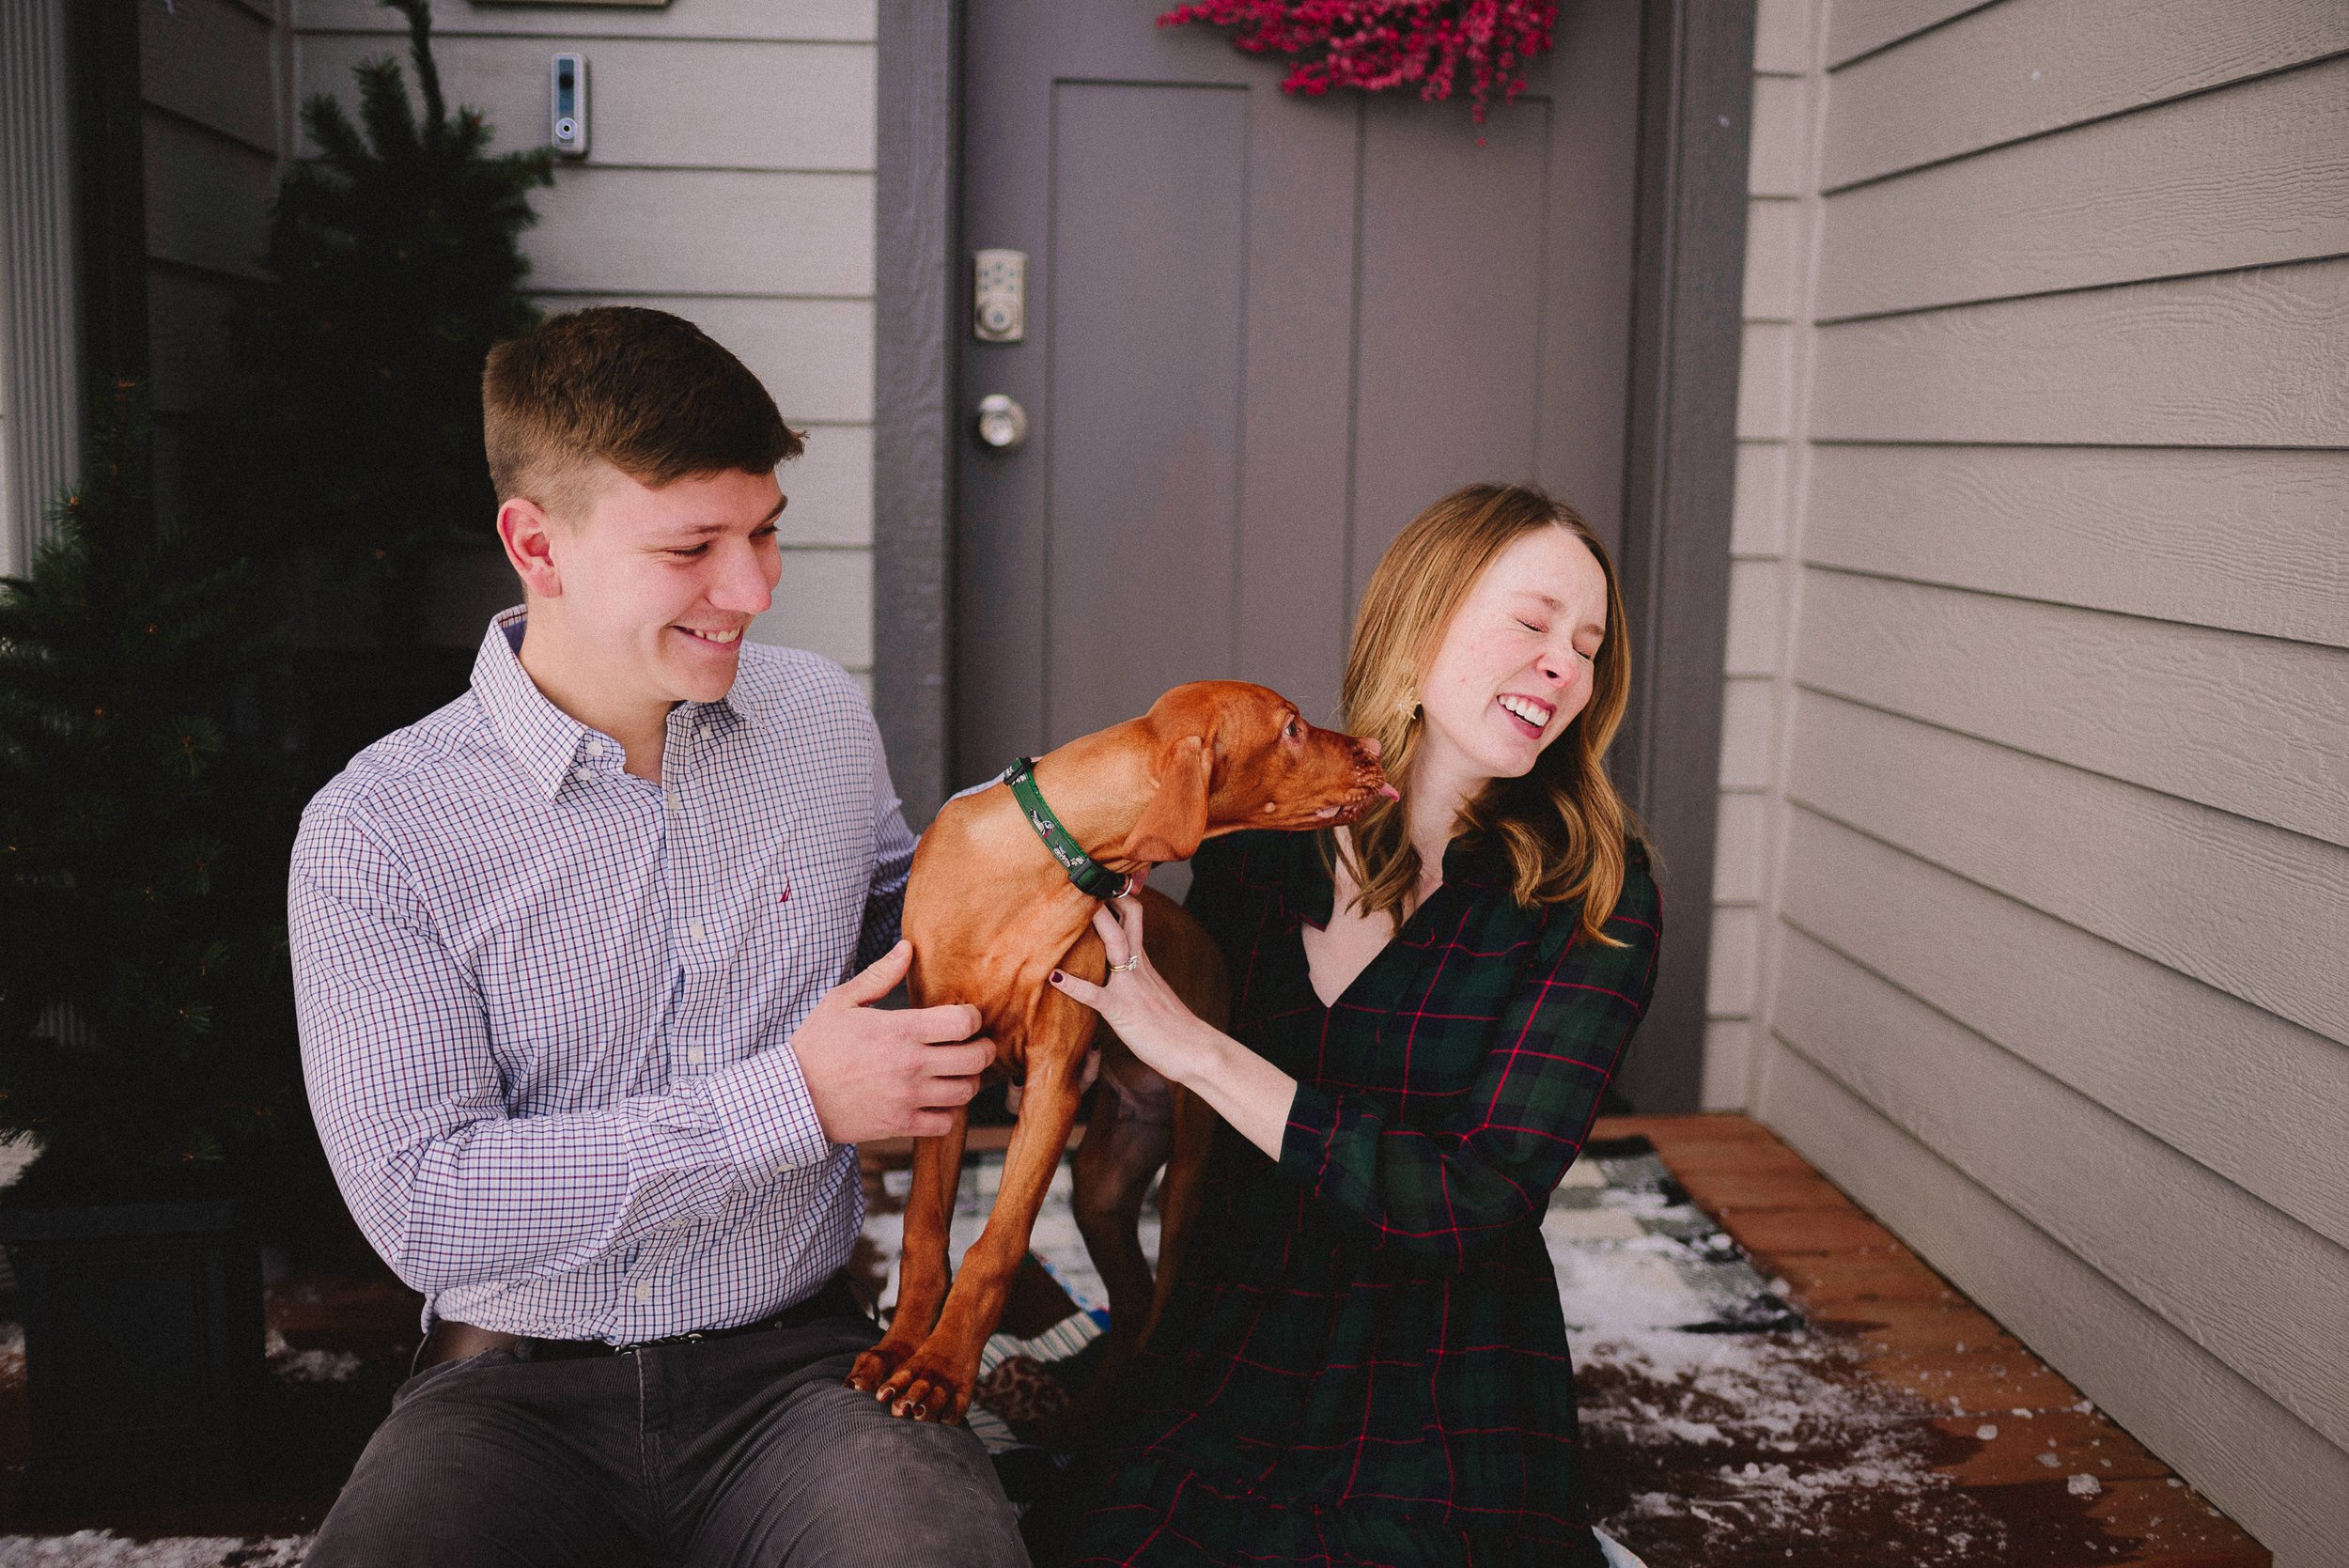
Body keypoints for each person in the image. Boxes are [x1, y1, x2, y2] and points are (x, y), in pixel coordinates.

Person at [288, 306, 1030, 1567]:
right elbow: (428, 1206)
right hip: (504, 1391)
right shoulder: (378, 829)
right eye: (694, 546)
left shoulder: (813, 719)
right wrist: (788, 1101)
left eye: (765, 533)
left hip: (802, 1366)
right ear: (539, 544)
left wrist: (1052, 893)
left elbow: (913, 942)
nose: (750, 590)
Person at [1036, 483, 1662, 1568]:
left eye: (1588, 645)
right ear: (1418, 623)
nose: (1564, 665)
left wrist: (1195, 1047)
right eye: (1530, 622)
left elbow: (1475, 1200)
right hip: (1228, 1326)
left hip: (1440, 1364)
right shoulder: (1256, 852)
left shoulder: (1593, 894)